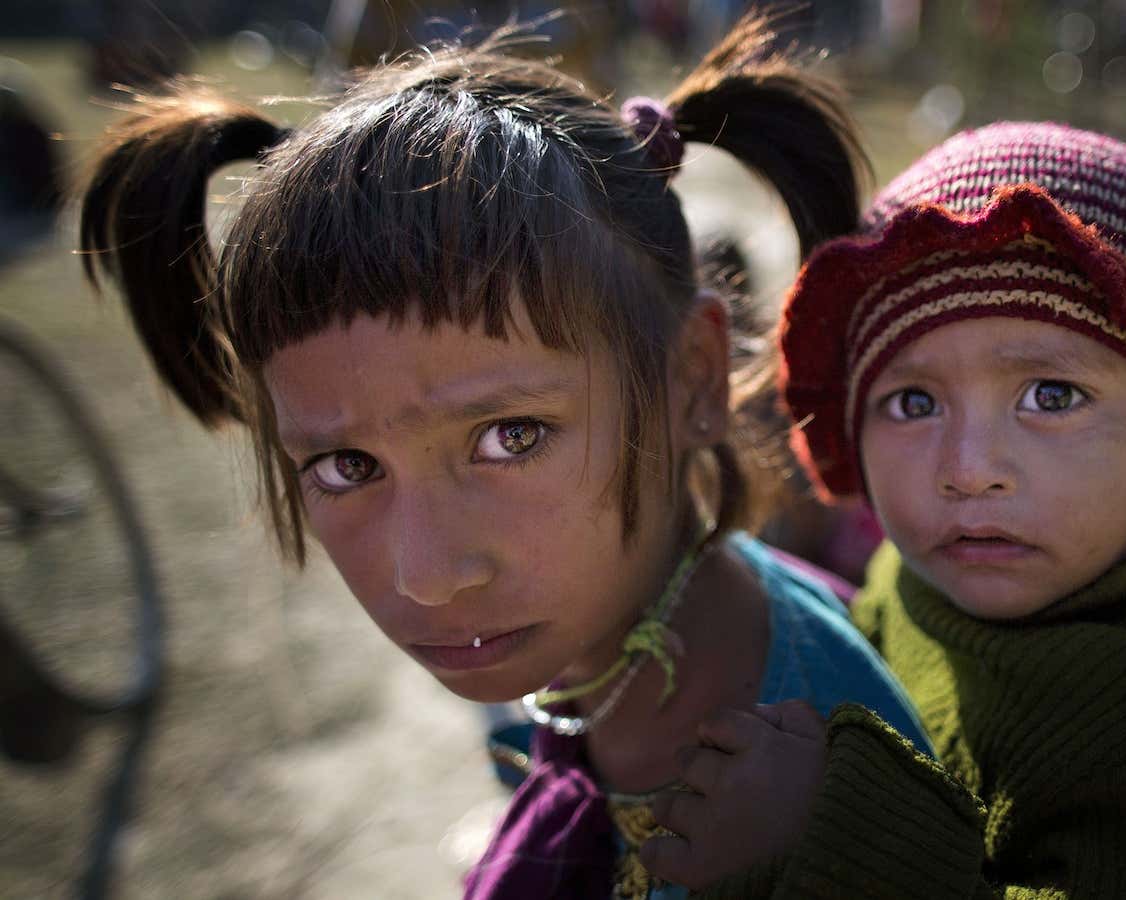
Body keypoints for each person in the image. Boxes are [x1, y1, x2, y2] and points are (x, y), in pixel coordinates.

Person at [76, 13, 931, 900]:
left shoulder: (836, 803)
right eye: (345, 466)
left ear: (693, 380)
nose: (428, 576)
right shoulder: (600, 655)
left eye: (510, 437)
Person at [639, 122, 1126, 898]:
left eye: (1051, 396)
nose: (969, 472)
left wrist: (817, 840)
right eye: (914, 402)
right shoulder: (927, 570)